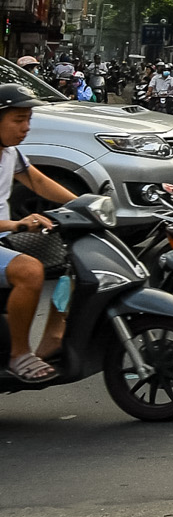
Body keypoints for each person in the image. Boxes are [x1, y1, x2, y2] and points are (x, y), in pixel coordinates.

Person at [0, 85, 81, 381]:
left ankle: (54, 336)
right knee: (30, 271)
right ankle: (19, 355)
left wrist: (83, 204)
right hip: (6, 233)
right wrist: (18, 224)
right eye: (18, 120)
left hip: (3, 238)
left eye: (28, 119)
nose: (26, 127)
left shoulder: (10, 153)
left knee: (72, 258)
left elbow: (39, 182)